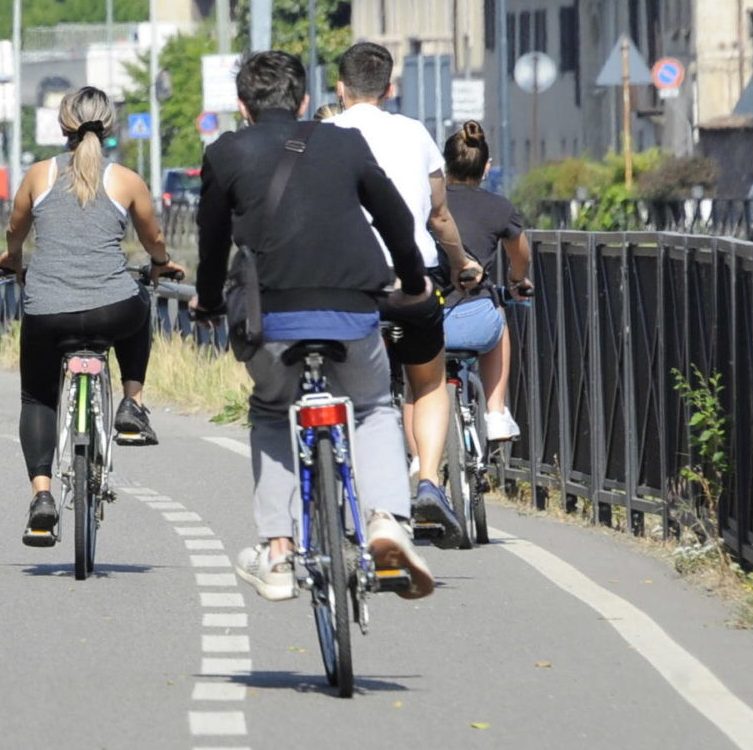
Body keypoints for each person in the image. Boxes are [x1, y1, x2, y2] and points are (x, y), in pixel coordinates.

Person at [193, 49, 433, 602]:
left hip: (270, 317)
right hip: (352, 308)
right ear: (304, 101)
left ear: (242, 106)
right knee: (372, 408)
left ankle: (278, 551)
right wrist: (414, 280)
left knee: (273, 411)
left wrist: (207, 301)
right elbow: (394, 214)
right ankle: (387, 521)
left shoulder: (226, 152)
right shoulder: (343, 142)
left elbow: (211, 242)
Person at [0, 87, 184, 548]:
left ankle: (42, 498)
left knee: (38, 398)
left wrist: (13, 258)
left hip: (48, 313)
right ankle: (131, 403)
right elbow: (153, 239)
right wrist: (161, 263)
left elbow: (15, 229)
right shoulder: (127, 181)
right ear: (110, 126)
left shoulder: (39, 175)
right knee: (141, 300)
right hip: (112, 310)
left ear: (63, 126)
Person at [329, 40, 481, 538]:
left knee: (346, 385)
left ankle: (354, 490)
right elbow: (439, 215)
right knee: (428, 381)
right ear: (390, 89)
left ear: (340, 88)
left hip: (349, 286)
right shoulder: (415, 134)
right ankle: (429, 482)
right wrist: (462, 262)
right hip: (413, 284)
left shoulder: (324, 136)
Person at [441, 120, 532, 442]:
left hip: (430, 319)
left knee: (419, 381)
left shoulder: (430, 205)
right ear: (486, 168)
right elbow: (521, 255)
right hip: (477, 318)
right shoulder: (499, 208)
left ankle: (420, 460)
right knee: (498, 319)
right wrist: (517, 280)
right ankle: (495, 412)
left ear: (445, 165)